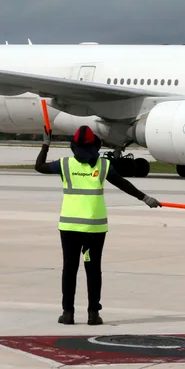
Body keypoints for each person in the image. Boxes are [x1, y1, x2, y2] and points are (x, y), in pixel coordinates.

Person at [34, 124, 160, 325]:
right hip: (94, 229)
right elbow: (124, 184)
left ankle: (68, 313)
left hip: (70, 228)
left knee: (70, 268)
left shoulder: (65, 164)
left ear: (74, 147)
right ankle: (93, 313)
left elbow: (39, 166)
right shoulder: (103, 166)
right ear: (95, 146)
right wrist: (145, 198)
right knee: (93, 269)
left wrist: (45, 144)